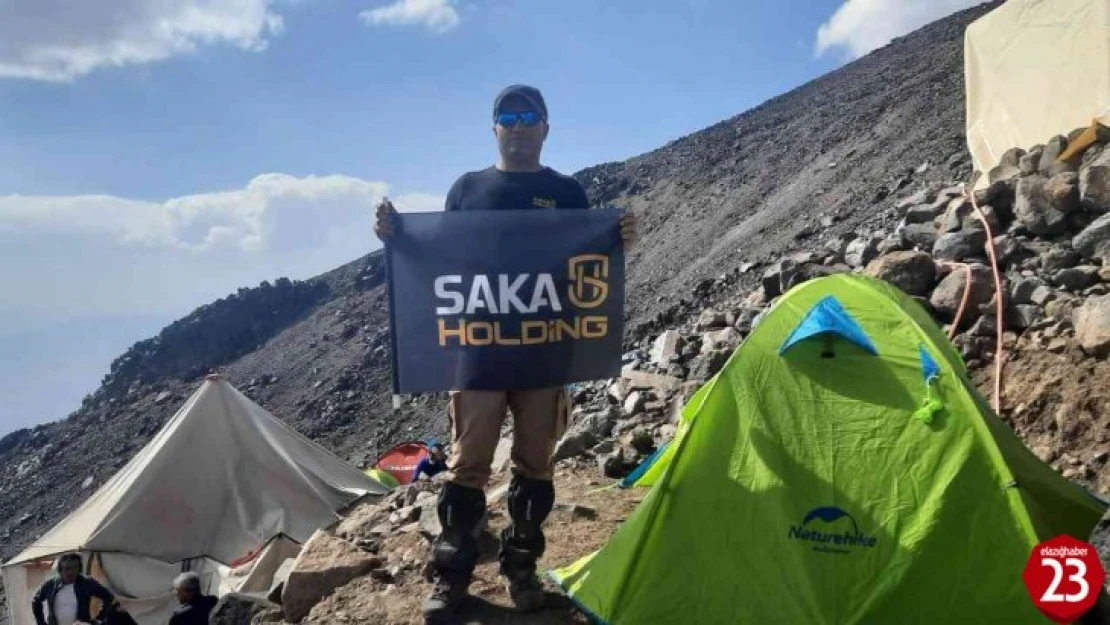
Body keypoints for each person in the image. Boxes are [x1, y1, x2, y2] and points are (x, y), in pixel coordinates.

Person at [374, 84, 636, 623]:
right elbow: (443, 258)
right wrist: (397, 237)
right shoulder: (468, 188)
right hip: (479, 356)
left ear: (546, 126)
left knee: (536, 467)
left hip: (544, 355)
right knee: (468, 468)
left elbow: (583, 265)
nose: (518, 125)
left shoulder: (567, 192)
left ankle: (522, 574)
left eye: (529, 116)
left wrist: (618, 242)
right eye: (508, 116)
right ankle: (451, 580)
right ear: (494, 127)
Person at [30, 553, 116, 625]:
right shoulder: (51, 585)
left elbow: (108, 597)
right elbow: (36, 601)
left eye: (75, 568)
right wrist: (41, 623)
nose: (71, 572)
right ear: (60, 569)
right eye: (67, 569)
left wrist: (99, 619)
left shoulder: (86, 583)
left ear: (79, 570)